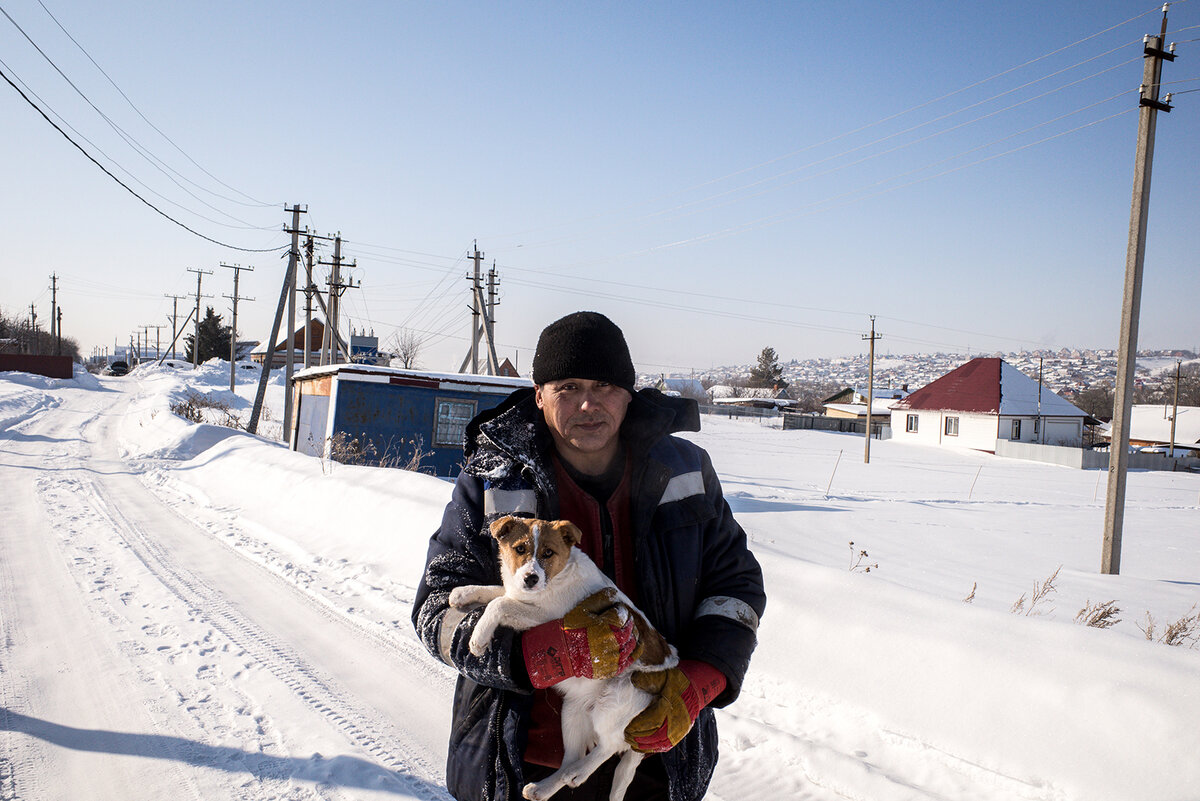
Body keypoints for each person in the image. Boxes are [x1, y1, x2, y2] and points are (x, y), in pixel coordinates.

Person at [412, 311, 766, 801]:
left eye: (604, 385)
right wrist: (531, 658)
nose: (587, 403)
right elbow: (435, 611)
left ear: (628, 393)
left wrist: (699, 682)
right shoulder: (493, 482)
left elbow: (736, 590)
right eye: (567, 386)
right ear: (539, 395)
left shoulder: (684, 470)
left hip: (655, 760)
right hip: (521, 765)